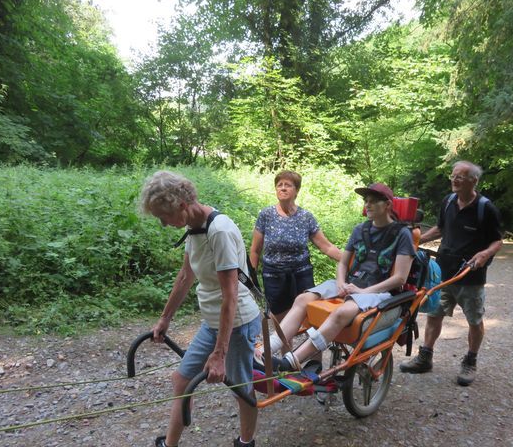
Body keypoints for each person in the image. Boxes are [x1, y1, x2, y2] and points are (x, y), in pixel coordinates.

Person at [140, 171, 261, 447]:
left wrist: (219, 354)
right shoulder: (194, 228)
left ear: (181, 206)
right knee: (182, 379)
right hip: (212, 321)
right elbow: (185, 276)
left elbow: (230, 297)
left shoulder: (219, 231)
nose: (163, 223)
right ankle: (169, 445)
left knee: (241, 389)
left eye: (163, 216)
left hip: (238, 323)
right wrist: (164, 319)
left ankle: (246, 442)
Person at [260, 183, 415, 372]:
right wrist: (341, 283)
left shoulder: (402, 234)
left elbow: (399, 278)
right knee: (302, 299)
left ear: (388, 205)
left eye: (373, 201)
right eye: (366, 201)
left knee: (341, 312)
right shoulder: (360, 230)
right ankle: (268, 350)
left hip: (378, 290)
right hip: (351, 283)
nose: (368, 205)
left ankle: (292, 361)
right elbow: (343, 263)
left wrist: (363, 291)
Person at [399, 161, 503, 386]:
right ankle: (425, 357)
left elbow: (497, 241)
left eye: (460, 177)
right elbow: (440, 228)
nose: (454, 180)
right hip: (443, 271)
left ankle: (470, 361)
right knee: (434, 314)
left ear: (473, 181)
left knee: (474, 320)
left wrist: (484, 254)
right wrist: (415, 241)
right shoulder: (447, 201)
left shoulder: (486, 208)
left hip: (471, 275)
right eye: (453, 176)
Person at [250, 170, 342, 323]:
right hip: (274, 276)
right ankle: (286, 347)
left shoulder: (306, 217)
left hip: (301, 275)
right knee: (280, 319)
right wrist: (251, 277)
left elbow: (326, 247)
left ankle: (308, 345)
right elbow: (255, 250)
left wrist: (351, 259)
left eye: (288, 185)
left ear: (297, 190)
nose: (283, 188)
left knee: (308, 316)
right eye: (279, 185)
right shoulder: (266, 215)